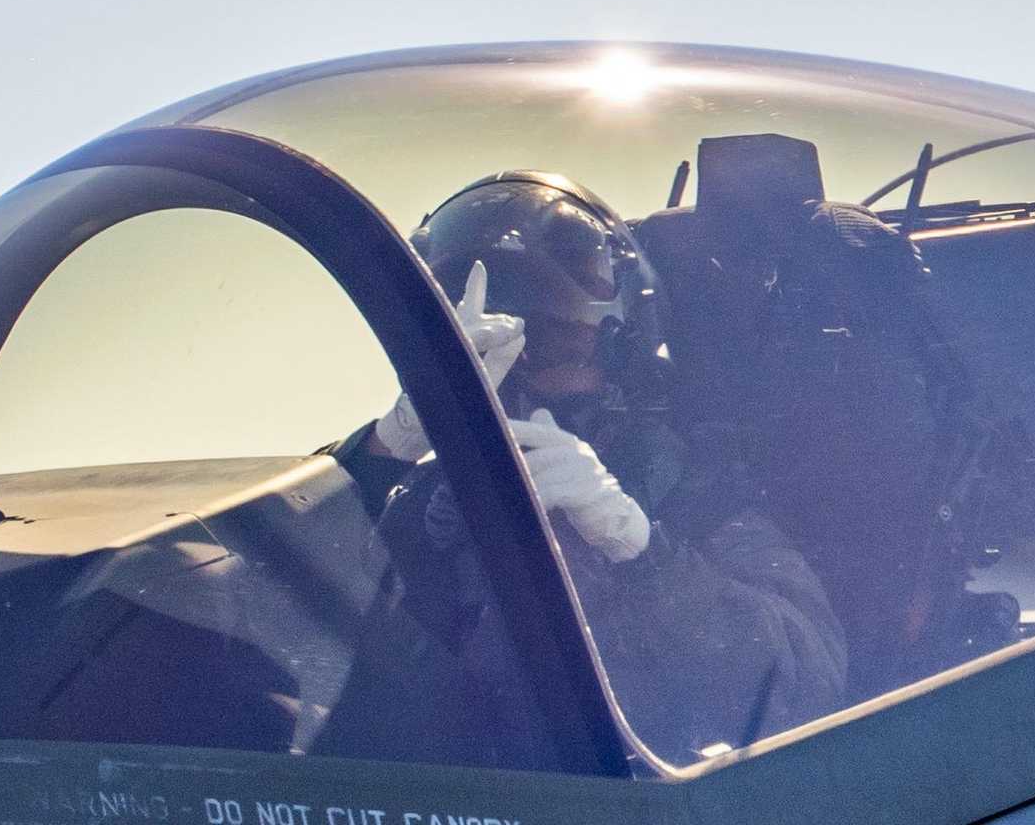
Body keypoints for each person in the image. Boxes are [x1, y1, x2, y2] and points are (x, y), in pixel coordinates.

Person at [331, 173, 847, 761]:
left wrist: (636, 547)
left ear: (619, 347)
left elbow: (805, 684)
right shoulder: (424, 498)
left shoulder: (692, 487)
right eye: (484, 355)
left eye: (550, 347)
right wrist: (388, 448)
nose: (515, 380)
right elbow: (282, 584)